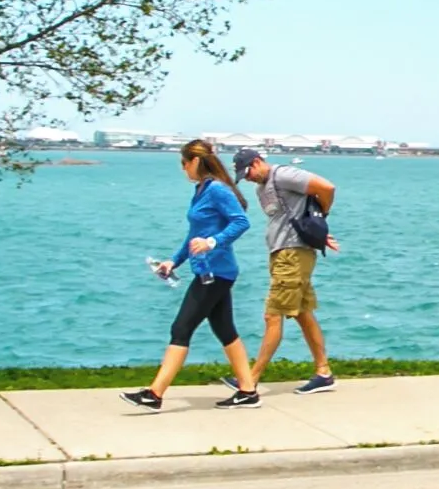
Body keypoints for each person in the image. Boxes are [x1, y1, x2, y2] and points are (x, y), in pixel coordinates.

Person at [122, 141, 260, 411]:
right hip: (209, 271)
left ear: (195, 162)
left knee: (181, 328)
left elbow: (241, 221)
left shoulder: (218, 190)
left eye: (184, 164)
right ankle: (248, 391)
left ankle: (155, 394)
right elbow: (193, 236)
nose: (183, 169)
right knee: (225, 330)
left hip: (215, 272)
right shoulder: (201, 190)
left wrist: (212, 242)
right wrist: (174, 261)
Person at [233, 147, 342, 395]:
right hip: (283, 253)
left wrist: (321, 220)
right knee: (302, 313)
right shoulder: (262, 189)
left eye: (247, 171)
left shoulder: (283, 175)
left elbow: (327, 188)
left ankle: (250, 380)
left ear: (258, 161)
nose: (247, 178)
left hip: (293, 254)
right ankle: (323, 372)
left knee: (273, 315)